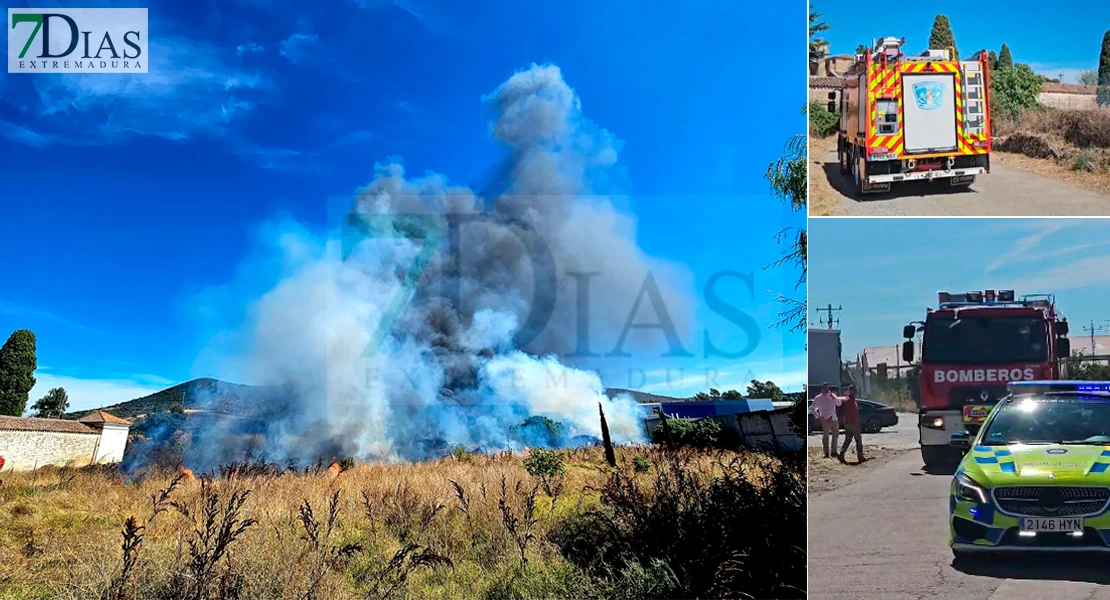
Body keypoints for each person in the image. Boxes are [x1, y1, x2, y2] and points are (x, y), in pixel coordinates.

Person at [812, 383, 842, 459]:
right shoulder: (818, 398)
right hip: (825, 419)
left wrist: (834, 397)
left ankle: (834, 451)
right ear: (821, 389)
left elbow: (839, 404)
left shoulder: (832, 396)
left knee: (835, 435)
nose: (826, 390)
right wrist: (818, 416)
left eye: (827, 388)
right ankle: (826, 453)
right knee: (826, 437)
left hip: (834, 418)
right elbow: (813, 408)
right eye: (824, 389)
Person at [838, 384, 865, 463]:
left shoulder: (852, 400)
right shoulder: (847, 400)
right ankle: (860, 457)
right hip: (852, 423)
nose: (856, 392)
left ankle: (841, 454)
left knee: (848, 440)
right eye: (854, 390)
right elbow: (841, 411)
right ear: (851, 391)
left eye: (856, 390)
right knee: (858, 440)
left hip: (851, 422)